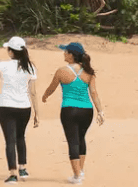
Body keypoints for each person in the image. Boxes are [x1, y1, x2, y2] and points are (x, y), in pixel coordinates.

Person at [42, 41, 105, 184]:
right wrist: (100, 111)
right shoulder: (88, 72)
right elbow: (94, 93)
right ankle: (80, 172)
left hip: (69, 110)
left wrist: (45, 96)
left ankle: (77, 176)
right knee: (81, 138)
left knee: (72, 140)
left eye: (66, 51)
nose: (64, 54)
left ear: (71, 55)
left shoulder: (62, 71)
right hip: (86, 110)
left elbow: (51, 87)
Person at [0, 36, 40, 183]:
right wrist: (37, 112)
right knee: (20, 137)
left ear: (11, 51)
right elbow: (33, 92)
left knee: (10, 140)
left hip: (6, 107)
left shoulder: (2, 65)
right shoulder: (30, 67)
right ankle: (22, 169)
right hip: (24, 107)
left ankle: (12, 174)